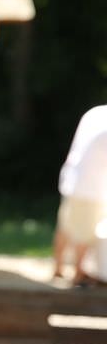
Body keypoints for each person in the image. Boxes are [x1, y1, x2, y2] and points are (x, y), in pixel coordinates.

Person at [52, 105, 107, 286]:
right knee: (84, 231)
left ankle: (58, 267)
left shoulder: (96, 113)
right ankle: (78, 273)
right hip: (90, 185)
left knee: (66, 226)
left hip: (73, 178)